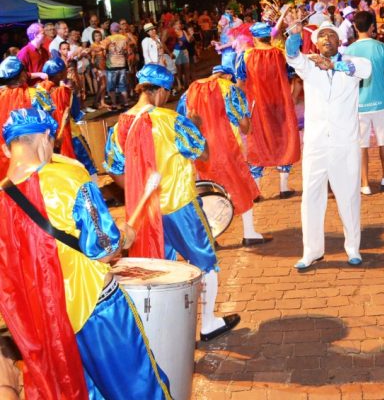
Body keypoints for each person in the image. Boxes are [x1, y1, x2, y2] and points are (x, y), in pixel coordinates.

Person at [0, 108, 172, 398]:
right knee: (141, 387)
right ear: (45, 136)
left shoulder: (3, 198)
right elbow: (105, 249)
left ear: (7, 148)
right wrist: (126, 234)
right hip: (98, 309)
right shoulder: (69, 178)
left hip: (51, 324)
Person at [104, 64, 240, 341]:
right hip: (180, 206)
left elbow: (114, 171)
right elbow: (203, 153)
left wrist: (140, 191)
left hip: (145, 214)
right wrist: (197, 126)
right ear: (161, 91)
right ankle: (209, 322)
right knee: (205, 261)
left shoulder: (119, 126)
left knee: (160, 269)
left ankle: (169, 330)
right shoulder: (171, 120)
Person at [285, 21, 372, 269]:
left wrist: (334, 65)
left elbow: (364, 70)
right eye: (321, 36)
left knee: (348, 196)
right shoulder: (309, 66)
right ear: (315, 42)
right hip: (316, 144)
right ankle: (311, 251)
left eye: (330, 35)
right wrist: (293, 36)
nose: (326, 39)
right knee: (311, 197)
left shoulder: (354, 62)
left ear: (339, 40)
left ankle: (353, 248)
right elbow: (292, 56)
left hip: (344, 143)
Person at [177, 65, 271, 245]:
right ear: (227, 76)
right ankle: (249, 233)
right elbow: (244, 124)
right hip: (226, 147)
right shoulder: (229, 89)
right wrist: (248, 123)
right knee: (241, 186)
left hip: (201, 150)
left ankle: (211, 239)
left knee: (207, 192)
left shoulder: (189, 91)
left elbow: (183, 122)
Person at [235, 22, 301, 199]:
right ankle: (284, 187)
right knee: (283, 141)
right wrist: (293, 98)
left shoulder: (245, 56)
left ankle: (256, 191)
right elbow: (294, 77)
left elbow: (240, 84)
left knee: (257, 143)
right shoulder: (281, 55)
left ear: (255, 37)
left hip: (257, 106)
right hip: (281, 105)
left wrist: (238, 106)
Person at [344, 11, 384, 195]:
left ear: (355, 27)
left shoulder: (349, 51)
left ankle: (365, 183)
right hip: (381, 102)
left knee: (362, 145)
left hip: (358, 104)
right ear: (372, 27)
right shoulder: (381, 48)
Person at [40, 58, 98, 178]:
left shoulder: (38, 91)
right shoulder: (65, 92)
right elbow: (76, 114)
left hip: (49, 139)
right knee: (87, 165)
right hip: (71, 135)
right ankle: (93, 194)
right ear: (60, 73)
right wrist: (76, 92)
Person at [0, 56, 53, 180]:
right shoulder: (38, 94)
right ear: (22, 75)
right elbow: (51, 122)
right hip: (36, 154)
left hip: (7, 156)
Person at [102, 22, 129, 109]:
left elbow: (102, 46)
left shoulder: (109, 38)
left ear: (111, 29)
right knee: (122, 86)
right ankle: (126, 103)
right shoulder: (124, 38)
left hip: (112, 65)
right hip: (122, 64)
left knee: (111, 87)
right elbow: (126, 51)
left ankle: (114, 104)